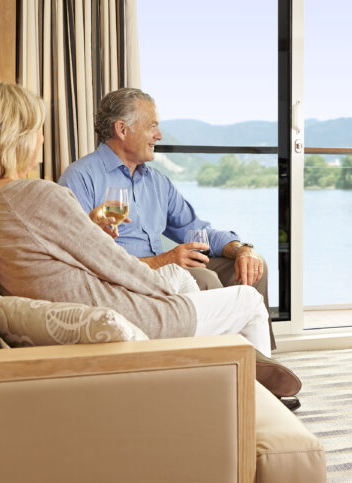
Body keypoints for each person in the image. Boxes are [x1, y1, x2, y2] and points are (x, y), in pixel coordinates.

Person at [0, 82, 300, 406]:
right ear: (15, 136)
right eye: (36, 130)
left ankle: (217, 369)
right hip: (123, 311)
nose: (41, 139)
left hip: (103, 300)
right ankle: (263, 406)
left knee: (187, 276)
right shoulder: (42, 194)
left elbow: (61, 253)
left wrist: (240, 247)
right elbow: (112, 264)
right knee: (247, 301)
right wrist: (169, 302)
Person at [57, 88, 277, 348]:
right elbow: (79, 258)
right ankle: (223, 359)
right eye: (152, 127)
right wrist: (164, 260)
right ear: (122, 129)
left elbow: (196, 230)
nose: (159, 136)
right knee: (204, 278)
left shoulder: (157, 182)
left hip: (169, 272)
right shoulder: (80, 178)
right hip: (124, 282)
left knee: (254, 266)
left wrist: (241, 249)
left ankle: (257, 361)